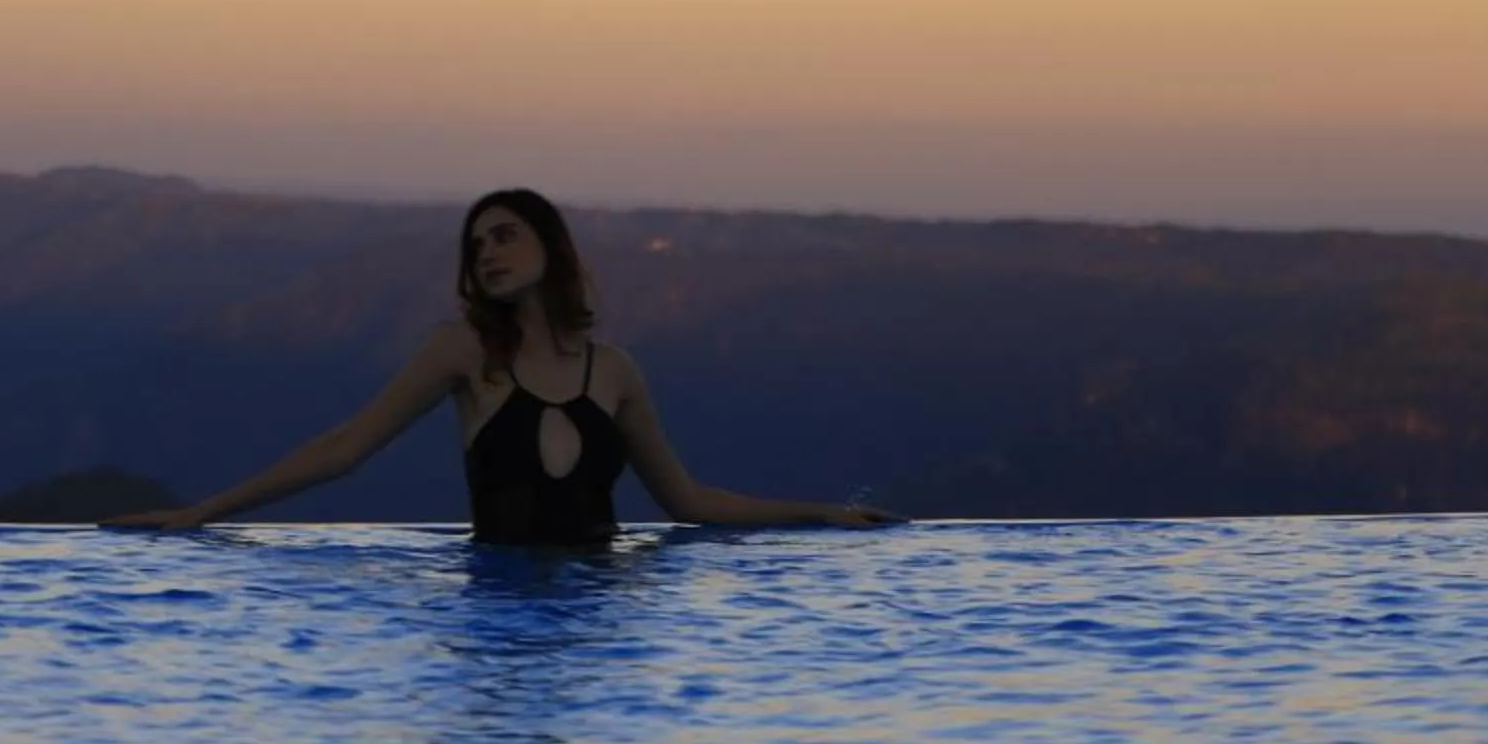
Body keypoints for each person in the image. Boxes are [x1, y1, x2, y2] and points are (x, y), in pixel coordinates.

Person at [101, 185, 899, 542]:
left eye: (505, 234)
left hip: (599, 609)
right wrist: (203, 511)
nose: (487, 253)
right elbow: (346, 447)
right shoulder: (462, 353)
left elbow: (687, 500)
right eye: (476, 245)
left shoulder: (615, 370)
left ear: (550, 246)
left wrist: (818, 514)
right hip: (496, 608)